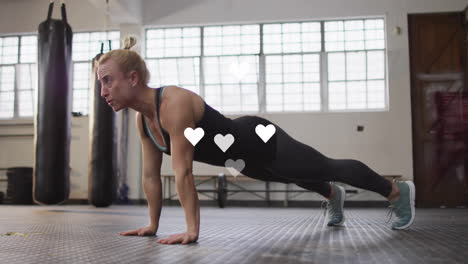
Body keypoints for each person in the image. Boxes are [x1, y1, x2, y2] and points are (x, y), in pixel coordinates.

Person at [96, 37, 415, 245]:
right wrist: (152, 224)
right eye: (100, 83)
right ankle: (333, 196)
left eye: (108, 80)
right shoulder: (144, 121)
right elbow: (150, 176)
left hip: (259, 140)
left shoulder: (173, 104)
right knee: (292, 176)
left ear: (133, 78)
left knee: (323, 166)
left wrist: (192, 231)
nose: (103, 92)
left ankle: (397, 192)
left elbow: (183, 173)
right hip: (241, 160)